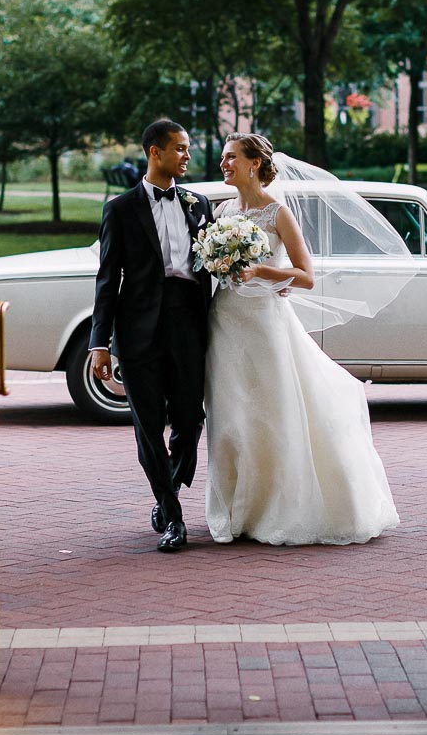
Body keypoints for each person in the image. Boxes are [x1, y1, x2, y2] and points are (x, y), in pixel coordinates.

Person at [203, 133, 400, 546]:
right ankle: (239, 509)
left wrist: (261, 273)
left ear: (254, 163)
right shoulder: (221, 210)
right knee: (230, 418)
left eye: (231, 157)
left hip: (264, 324)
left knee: (271, 415)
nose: (223, 164)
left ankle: (280, 508)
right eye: (223, 158)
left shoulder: (277, 214)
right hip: (225, 321)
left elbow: (306, 275)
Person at [88, 121, 214, 552]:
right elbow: (108, 280)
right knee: (147, 426)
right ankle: (173, 518)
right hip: (138, 329)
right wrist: (99, 343)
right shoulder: (120, 210)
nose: (186, 157)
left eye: (187, 149)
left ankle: (169, 489)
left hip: (189, 324)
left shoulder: (200, 204)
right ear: (154, 152)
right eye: (179, 149)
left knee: (190, 420)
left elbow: (212, 269)